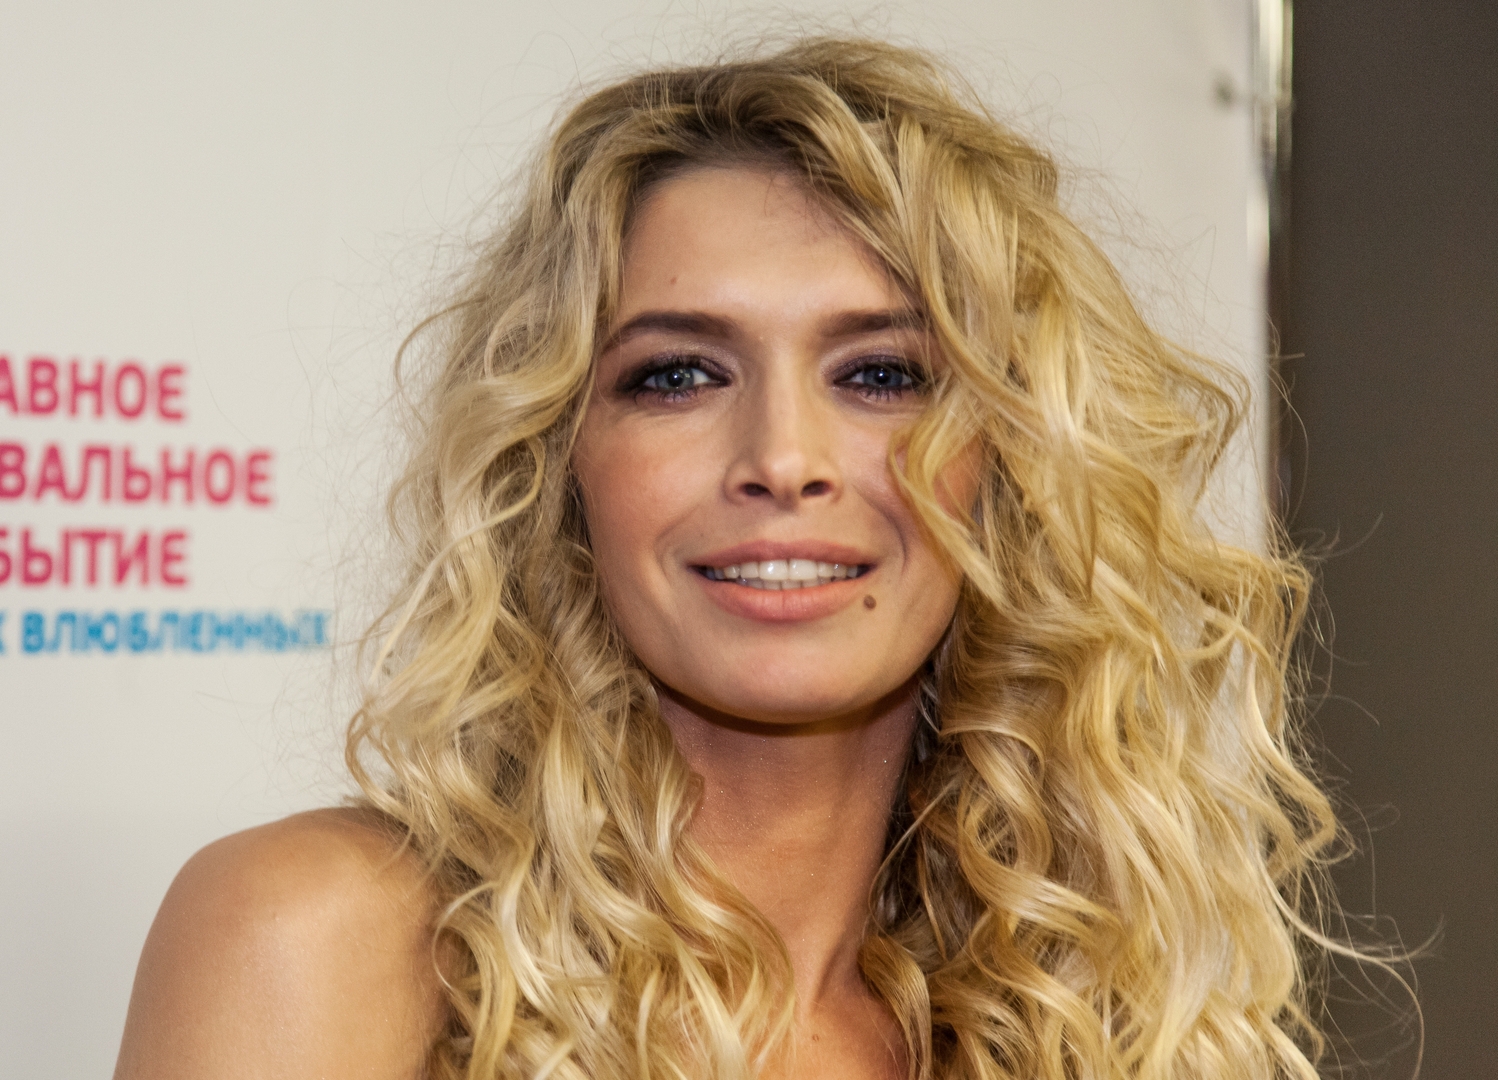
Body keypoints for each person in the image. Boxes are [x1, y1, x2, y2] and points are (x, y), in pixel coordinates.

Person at [114, 38, 1342, 1080]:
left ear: (1012, 461)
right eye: (677, 376)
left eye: (881, 374)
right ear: (556, 464)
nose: (782, 459)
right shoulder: (324, 937)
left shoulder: (1085, 1018)